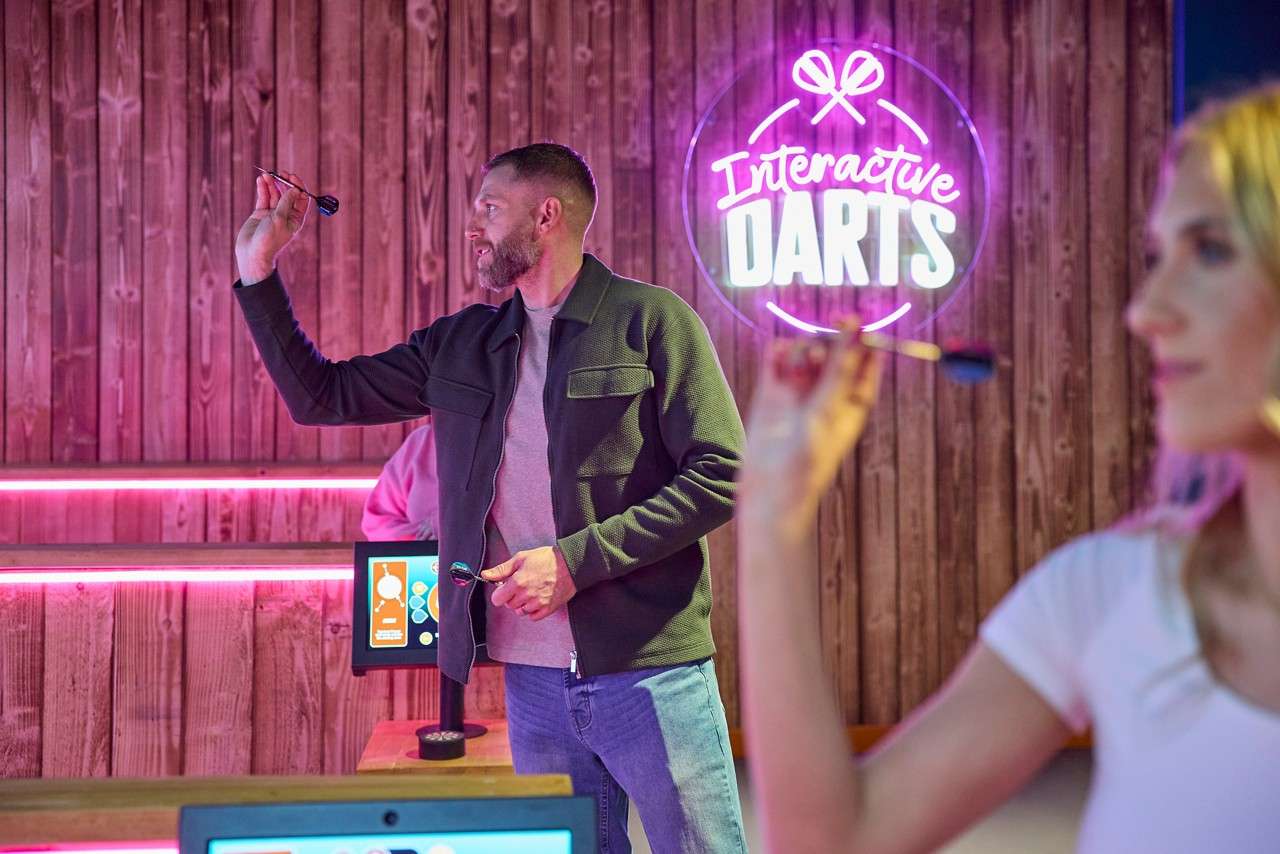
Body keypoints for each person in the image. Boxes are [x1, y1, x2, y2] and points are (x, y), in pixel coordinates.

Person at [737, 85, 1280, 853]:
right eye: (1161, 256)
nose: (1146, 309)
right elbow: (836, 842)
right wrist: (770, 508)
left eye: (1213, 250)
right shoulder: (1106, 595)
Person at [233, 143, 747, 853]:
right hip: (532, 687)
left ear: (546, 216)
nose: (473, 226)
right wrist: (257, 273)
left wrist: (573, 562)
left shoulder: (652, 321)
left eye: (490, 208)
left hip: (652, 671)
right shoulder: (462, 345)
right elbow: (322, 396)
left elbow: (722, 474)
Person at [360, 421, 441, 542]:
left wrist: (448, 525)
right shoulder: (422, 443)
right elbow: (377, 527)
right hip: (426, 558)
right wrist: (423, 534)